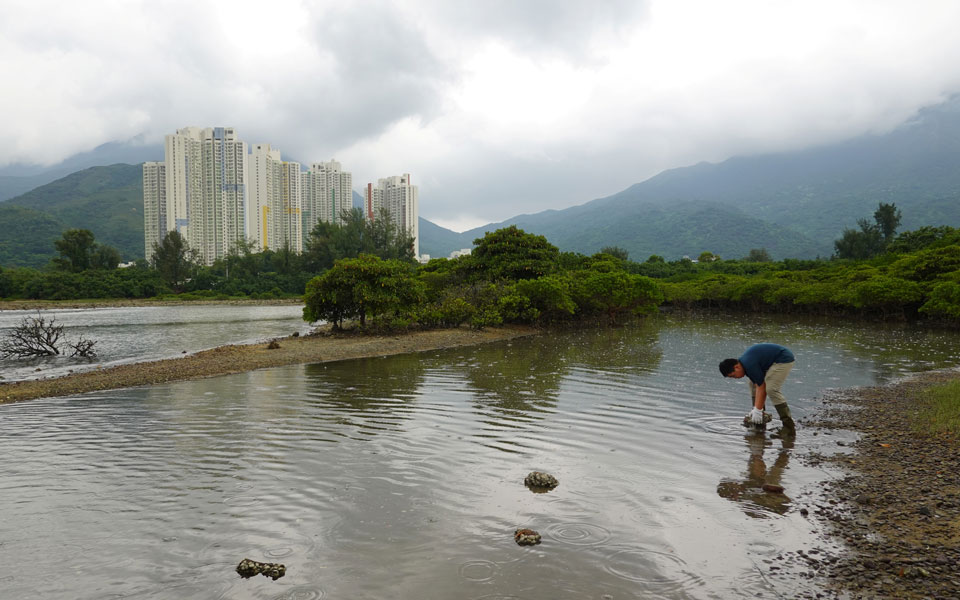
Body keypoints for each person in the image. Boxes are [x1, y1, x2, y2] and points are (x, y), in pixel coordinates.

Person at [719, 343, 796, 431]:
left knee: (771, 389)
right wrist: (757, 409)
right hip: (772, 360)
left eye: (733, 376)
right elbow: (757, 385)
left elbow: (762, 387)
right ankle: (759, 419)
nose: (735, 378)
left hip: (783, 359)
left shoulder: (749, 364)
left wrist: (758, 410)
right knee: (752, 385)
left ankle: (788, 425)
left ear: (736, 367)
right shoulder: (745, 364)